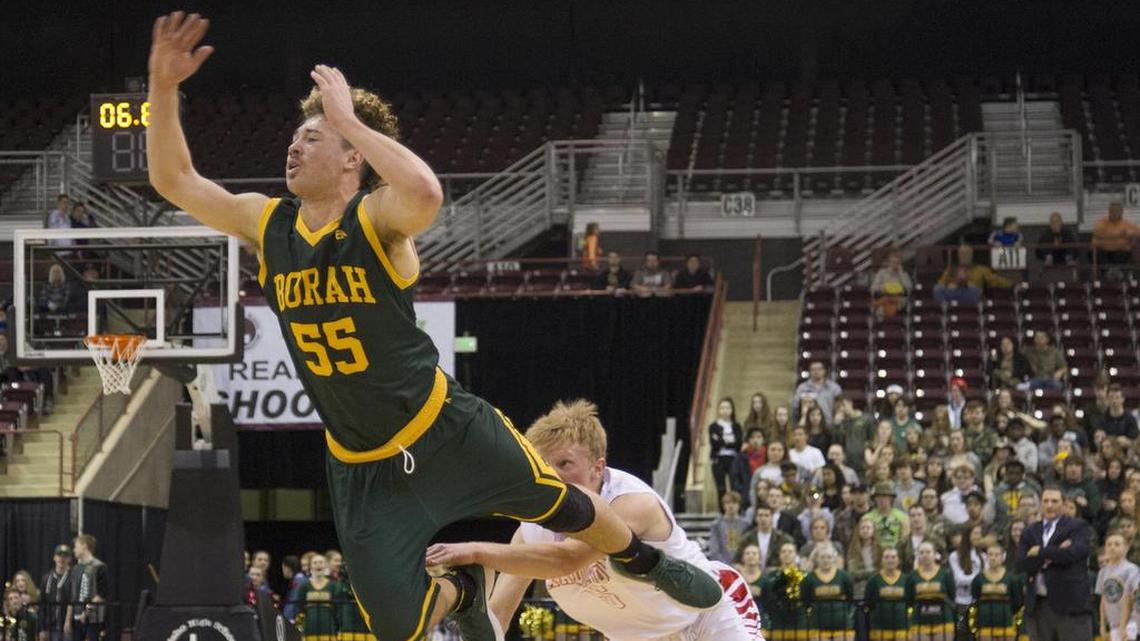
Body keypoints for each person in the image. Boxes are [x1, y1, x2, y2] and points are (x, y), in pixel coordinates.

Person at [146, 12, 722, 640]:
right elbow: (173, 179)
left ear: (351, 158)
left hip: (444, 428)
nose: (295, 145)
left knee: (569, 506)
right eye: (297, 136)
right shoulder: (268, 223)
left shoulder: (377, 220)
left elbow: (426, 191)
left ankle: (645, 560)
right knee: (397, 627)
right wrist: (162, 86)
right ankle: (463, 591)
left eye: (313, 137)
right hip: (362, 463)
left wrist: (346, 119)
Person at [424, 399, 763, 641]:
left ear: (598, 468)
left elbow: (566, 559)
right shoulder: (530, 530)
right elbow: (498, 613)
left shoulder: (631, 504)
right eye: (544, 466)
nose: (553, 476)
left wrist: (474, 551)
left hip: (708, 614)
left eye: (565, 464)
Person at [1015, 486, 1093, 641]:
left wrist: (1040, 552)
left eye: (1055, 501)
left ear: (1064, 504)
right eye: (1046, 501)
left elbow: (1072, 554)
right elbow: (1021, 564)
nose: (1050, 505)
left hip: (1070, 603)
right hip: (1038, 604)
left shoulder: (1078, 526)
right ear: (1040, 504)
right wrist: (1056, 551)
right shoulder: (1030, 531)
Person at [801, 542, 856, 640]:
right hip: (818, 625)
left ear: (834, 559)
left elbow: (850, 598)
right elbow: (805, 600)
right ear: (817, 559)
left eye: (829, 557)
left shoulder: (844, 576)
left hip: (842, 625)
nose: (826, 560)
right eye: (822, 557)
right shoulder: (809, 578)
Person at [971, 540, 1023, 641]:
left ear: (1003, 557)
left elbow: (1017, 602)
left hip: (1006, 623)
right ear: (986, 557)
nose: (993, 558)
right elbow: (975, 600)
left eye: (996, 555)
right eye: (990, 554)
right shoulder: (978, 579)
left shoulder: (1012, 578)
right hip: (984, 624)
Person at [757, 542, 809, 638]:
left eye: (790, 551)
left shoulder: (805, 576)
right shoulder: (771, 577)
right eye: (784, 551)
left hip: (799, 621)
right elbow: (767, 599)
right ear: (779, 556)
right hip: (778, 622)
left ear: (796, 555)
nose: (787, 554)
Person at [1095, 532, 1139, 641]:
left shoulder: (1132, 570)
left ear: (1126, 548)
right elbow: (1103, 600)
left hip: (1132, 623)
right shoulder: (1103, 572)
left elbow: (1132, 598)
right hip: (1114, 624)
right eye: (1108, 544)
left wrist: (1124, 627)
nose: (1112, 547)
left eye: (1117, 544)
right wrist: (1102, 625)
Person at [910, 540, 957, 641]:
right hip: (919, 620)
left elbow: (952, 596)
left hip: (943, 619)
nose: (925, 555)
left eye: (928, 552)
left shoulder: (945, 573)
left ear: (935, 554)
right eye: (921, 552)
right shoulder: (912, 575)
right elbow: (909, 599)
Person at [934, 244, 1011, 304]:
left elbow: (994, 280)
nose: (963, 256)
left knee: (974, 290)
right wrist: (949, 285)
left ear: (971, 255)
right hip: (954, 293)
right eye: (961, 253)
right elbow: (941, 283)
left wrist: (1010, 283)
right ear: (958, 255)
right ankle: (945, 310)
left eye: (966, 254)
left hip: (970, 294)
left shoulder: (981, 269)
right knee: (937, 289)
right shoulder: (951, 269)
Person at [865, 546, 910, 640]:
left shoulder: (906, 580)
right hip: (879, 629)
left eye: (893, 557)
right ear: (881, 560)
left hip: (902, 628)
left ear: (898, 560)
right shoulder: (873, 580)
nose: (890, 560)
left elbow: (910, 602)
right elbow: (869, 603)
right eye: (886, 557)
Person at [296, 554, 345, 641]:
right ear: (311, 566)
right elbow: (299, 607)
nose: (318, 565)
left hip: (328, 627)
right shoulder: (304, 586)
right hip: (309, 627)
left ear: (325, 565)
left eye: (321, 562)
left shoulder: (333, 586)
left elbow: (338, 608)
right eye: (315, 563)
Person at [68, 535, 107, 641]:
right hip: (76, 617)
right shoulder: (75, 569)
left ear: (84, 546)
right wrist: (68, 619)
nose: (74, 550)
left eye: (76, 546)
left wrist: (86, 612)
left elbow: (101, 594)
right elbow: (72, 595)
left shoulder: (99, 567)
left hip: (93, 619)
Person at [738, 503, 796, 569]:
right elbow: (736, 561)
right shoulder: (747, 538)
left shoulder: (783, 538)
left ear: (772, 517)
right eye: (760, 515)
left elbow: (792, 560)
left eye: (766, 515)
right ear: (756, 518)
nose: (763, 519)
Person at [708, 397, 743, 503]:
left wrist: (723, 441)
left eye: (728, 408)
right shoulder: (713, 426)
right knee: (721, 488)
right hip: (719, 459)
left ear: (732, 410)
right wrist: (728, 442)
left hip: (733, 458)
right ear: (718, 410)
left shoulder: (736, 426)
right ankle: (722, 512)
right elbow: (715, 444)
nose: (725, 410)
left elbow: (738, 444)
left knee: (735, 486)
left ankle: (737, 509)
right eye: (722, 408)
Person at [39, 544, 74, 641]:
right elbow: (42, 604)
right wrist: (42, 628)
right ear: (54, 557)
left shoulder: (73, 578)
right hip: (50, 626)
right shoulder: (47, 578)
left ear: (69, 559)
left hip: (67, 626)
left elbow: (73, 600)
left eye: (65, 556)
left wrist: (68, 621)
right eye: (59, 555)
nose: (62, 559)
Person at [833, 396, 874, 476]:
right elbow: (837, 442)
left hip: (862, 460)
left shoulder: (865, 419)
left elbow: (872, 438)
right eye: (838, 407)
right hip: (846, 462)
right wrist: (837, 425)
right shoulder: (840, 423)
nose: (842, 409)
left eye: (843, 405)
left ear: (850, 403)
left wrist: (868, 450)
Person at [1093, 202, 1140, 271]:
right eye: (1112, 210)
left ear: (1121, 212)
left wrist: (1130, 235)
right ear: (1109, 211)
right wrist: (1121, 235)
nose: (1114, 213)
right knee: (1098, 253)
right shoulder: (1101, 222)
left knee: (1123, 253)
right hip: (1103, 251)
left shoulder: (1127, 224)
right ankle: (1109, 273)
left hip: (1120, 251)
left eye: (1117, 210)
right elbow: (1099, 234)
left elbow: (1136, 233)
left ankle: (1114, 272)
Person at [708, 491, 750, 565]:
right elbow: (714, 550)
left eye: (734, 503)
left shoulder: (745, 524)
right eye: (727, 503)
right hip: (722, 566)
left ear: (739, 505)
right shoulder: (716, 525)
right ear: (723, 505)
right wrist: (726, 565)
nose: (731, 506)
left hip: (742, 566)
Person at [871, 248, 912, 319]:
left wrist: (901, 274)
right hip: (884, 297)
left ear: (900, 263)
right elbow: (873, 289)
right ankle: (881, 323)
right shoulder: (882, 272)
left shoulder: (903, 274)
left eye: (897, 263)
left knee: (895, 303)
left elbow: (909, 289)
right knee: (881, 306)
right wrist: (884, 287)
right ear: (889, 262)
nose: (895, 265)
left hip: (898, 300)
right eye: (893, 262)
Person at [868, 482, 910, 550]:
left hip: (896, 552)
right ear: (874, 499)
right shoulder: (868, 518)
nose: (881, 499)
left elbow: (905, 539)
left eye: (884, 496)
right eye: (878, 496)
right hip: (875, 552)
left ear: (891, 498)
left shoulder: (903, 517)